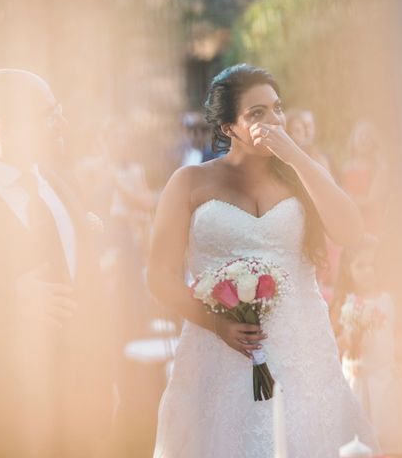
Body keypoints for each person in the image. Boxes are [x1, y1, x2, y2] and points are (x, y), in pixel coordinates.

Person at [148, 64, 380, 457]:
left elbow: (351, 231)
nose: (273, 120)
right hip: (221, 353)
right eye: (257, 114)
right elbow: (159, 277)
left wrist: (298, 158)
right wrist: (217, 324)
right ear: (228, 128)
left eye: (277, 108)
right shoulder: (189, 182)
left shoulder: (302, 175)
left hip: (303, 348)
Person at [0, 69, 116, 457]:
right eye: (48, 115)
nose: (62, 125)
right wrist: (8, 301)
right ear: (1, 127)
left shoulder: (61, 186)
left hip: (78, 412)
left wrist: (105, 380)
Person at [334, 236, 402, 456]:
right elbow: (343, 345)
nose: (368, 271)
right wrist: (352, 334)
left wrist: (399, 361)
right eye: (361, 265)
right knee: (359, 438)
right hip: (358, 380)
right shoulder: (347, 302)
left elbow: (396, 336)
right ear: (348, 269)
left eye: (373, 265)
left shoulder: (388, 300)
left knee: (389, 438)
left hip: (384, 378)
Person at [340, 121, 390, 236]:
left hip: (371, 223)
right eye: (360, 135)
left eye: (367, 136)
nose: (363, 139)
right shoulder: (345, 168)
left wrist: (348, 200)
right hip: (350, 222)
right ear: (353, 140)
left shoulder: (379, 168)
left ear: (373, 142)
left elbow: (373, 201)